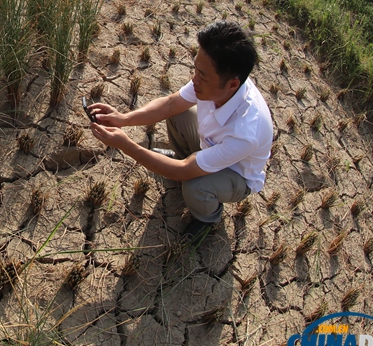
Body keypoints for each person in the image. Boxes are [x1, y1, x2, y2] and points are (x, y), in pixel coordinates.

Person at [88, 21, 273, 243]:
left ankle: (208, 218)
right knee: (178, 113)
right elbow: (171, 104)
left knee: (196, 185)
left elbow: (184, 171)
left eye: (202, 75)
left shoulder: (246, 131)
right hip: (211, 146)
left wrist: (125, 145)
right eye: (196, 69)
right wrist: (123, 119)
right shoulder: (216, 83)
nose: (194, 80)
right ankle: (181, 156)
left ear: (232, 85)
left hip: (235, 174)